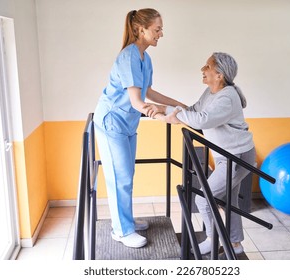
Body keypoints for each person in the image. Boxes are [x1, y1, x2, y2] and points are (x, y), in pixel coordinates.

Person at [93, 8, 186, 249]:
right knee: (119, 177)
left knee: (126, 176)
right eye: (157, 29)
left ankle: (126, 221)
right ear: (141, 29)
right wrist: (164, 118)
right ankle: (121, 231)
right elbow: (137, 101)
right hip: (112, 122)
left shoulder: (145, 58)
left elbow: (148, 92)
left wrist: (179, 105)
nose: (161, 34)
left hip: (127, 122)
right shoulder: (129, 57)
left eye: (161, 29)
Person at [165, 52, 256, 255]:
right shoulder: (211, 93)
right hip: (228, 155)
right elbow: (194, 110)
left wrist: (175, 115)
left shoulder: (228, 97)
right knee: (229, 200)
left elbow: (202, 120)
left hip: (237, 158)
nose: (202, 69)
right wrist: (164, 108)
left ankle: (212, 239)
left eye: (207, 66)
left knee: (203, 199)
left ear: (219, 75)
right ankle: (235, 243)